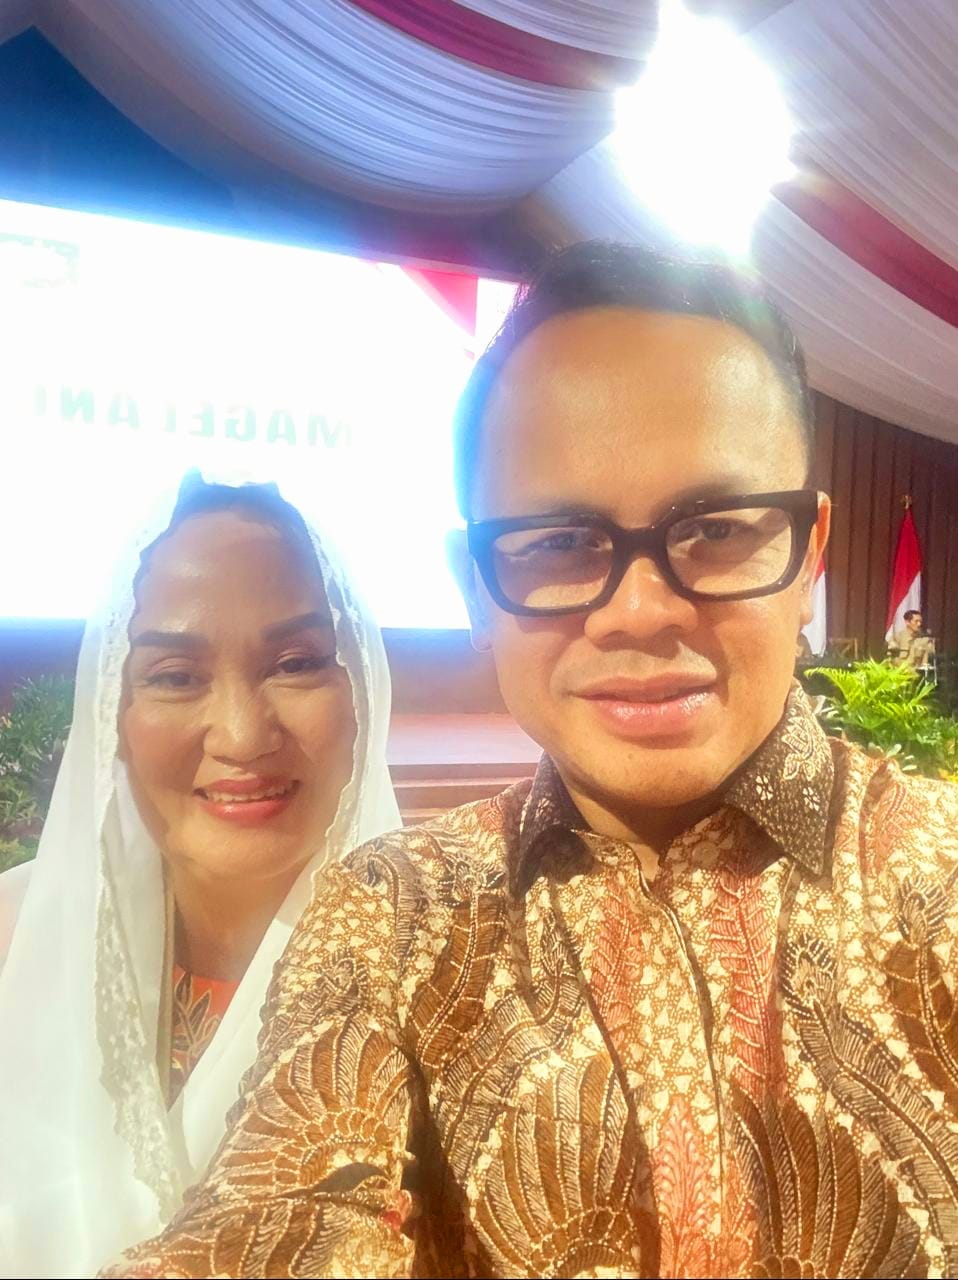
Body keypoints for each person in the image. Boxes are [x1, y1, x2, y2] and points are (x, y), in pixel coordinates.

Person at [107, 245, 958, 1279]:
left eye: (716, 530)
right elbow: (277, 1216)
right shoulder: (393, 917)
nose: (640, 610)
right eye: (557, 544)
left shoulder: (942, 873)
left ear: (808, 550)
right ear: (475, 586)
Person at [0, 474, 400, 1279]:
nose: (242, 736)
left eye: (296, 663)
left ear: (363, 689)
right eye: (175, 676)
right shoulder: (17, 936)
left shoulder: (445, 986)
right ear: (110, 710)